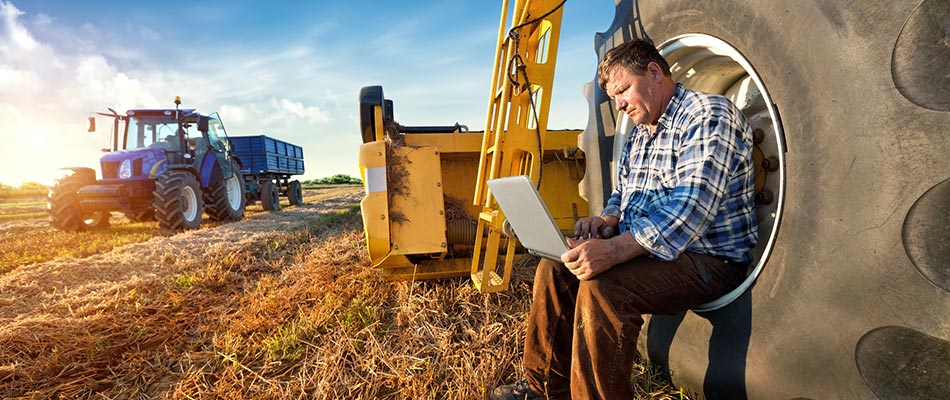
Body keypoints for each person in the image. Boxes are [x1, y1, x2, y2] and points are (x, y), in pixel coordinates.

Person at [490, 39, 758, 400]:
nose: (619, 104)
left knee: (603, 289)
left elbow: (690, 210)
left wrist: (614, 251)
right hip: (658, 253)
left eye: (623, 90)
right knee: (554, 270)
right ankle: (543, 389)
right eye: (614, 96)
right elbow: (626, 191)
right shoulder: (642, 131)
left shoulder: (707, 115)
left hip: (708, 259)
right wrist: (608, 219)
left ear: (653, 72)